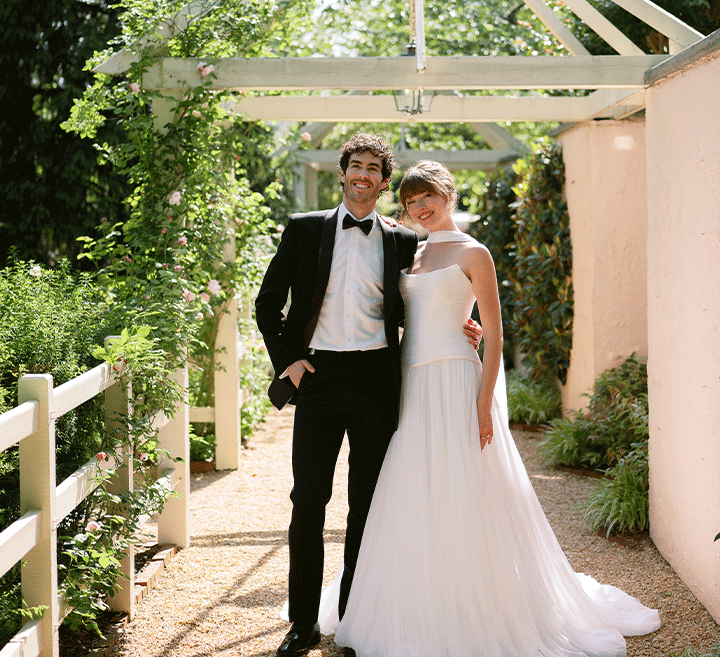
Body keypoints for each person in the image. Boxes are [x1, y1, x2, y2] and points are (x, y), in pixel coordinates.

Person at [317, 160, 661, 657]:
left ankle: (472, 603)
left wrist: (483, 403)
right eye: (411, 201)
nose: (420, 207)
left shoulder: (474, 252)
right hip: (410, 382)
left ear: (447, 195)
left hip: (455, 380)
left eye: (428, 197)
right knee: (414, 485)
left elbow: (495, 334)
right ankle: (417, 599)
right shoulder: (410, 250)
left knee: (465, 486)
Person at [255, 136, 481, 657]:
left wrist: (463, 324)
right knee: (307, 502)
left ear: (383, 181)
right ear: (343, 174)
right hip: (318, 376)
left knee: (368, 506)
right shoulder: (304, 228)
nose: (362, 174)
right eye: (355, 166)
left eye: (373, 168)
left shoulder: (403, 240)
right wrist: (288, 360)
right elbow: (267, 303)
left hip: (378, 381)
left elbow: (433, 290)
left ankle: (356, 621)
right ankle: (303, 624)